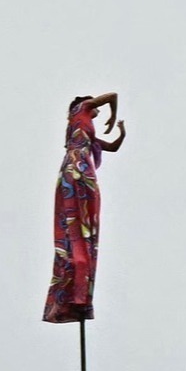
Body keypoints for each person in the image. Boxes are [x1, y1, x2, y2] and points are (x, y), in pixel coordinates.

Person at [43, 92, 126, 324]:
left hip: (84, 171)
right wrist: (112, 115)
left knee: (87, 226)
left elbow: (113, 147)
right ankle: (71, 279)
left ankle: (79, 287)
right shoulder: (80, 109)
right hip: (76, 168)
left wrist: (122, 132)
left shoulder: (87, 134)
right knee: (75, 223)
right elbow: (112, 95)